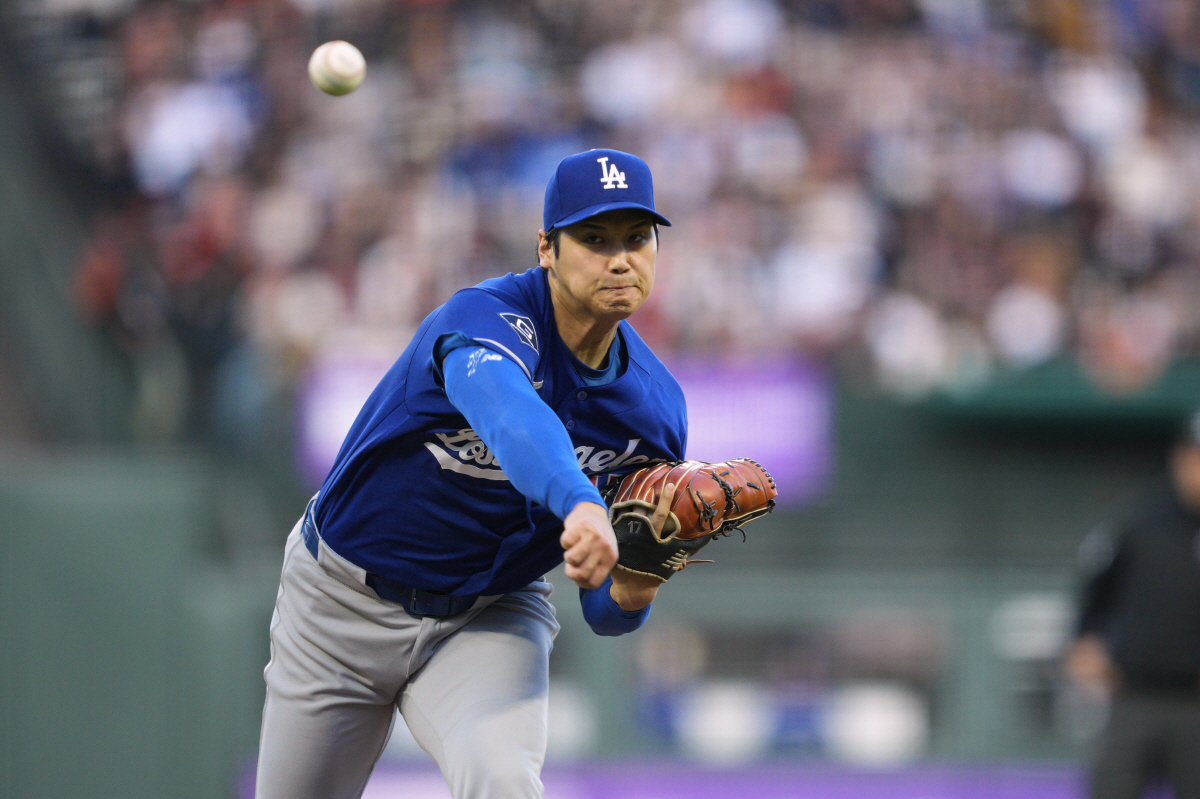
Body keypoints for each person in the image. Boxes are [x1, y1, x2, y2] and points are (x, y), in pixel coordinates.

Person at [254, 149, 687, 799]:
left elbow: (606, 612)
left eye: (636, 237)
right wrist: (579, 500)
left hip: (487, 617)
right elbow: (511, 415)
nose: (619, 258)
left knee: (504, 781)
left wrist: (639, 575)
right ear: (547, 247)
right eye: (594, 239)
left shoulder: (655, 412)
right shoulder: (481, 318)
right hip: (340, 602)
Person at [1065, 412, 1200, 799]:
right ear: (1179, 457)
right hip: (1134, 695)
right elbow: (1096, 585)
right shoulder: (1141, 520)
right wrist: (1084, 638)